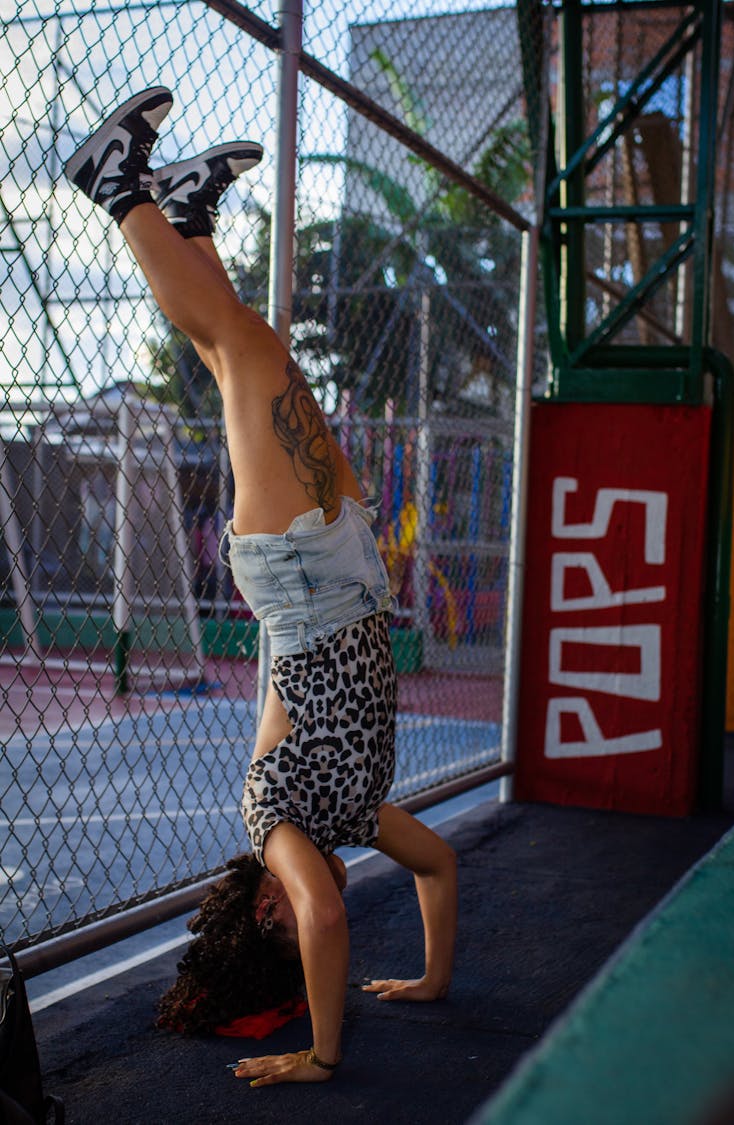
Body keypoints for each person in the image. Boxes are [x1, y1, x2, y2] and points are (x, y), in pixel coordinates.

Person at [63, 87, 458, 1087]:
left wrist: (324, 1055)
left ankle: (116, 188)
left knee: (248, 350)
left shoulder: (272, 812)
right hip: (343, 569)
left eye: (289, 915)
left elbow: (323, 914)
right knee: (237, 348)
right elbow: (441, 868)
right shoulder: (356, 817)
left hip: (298, 572)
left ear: (270, 905)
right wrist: (430, 985)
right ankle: (186, 217)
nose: (325, 903)